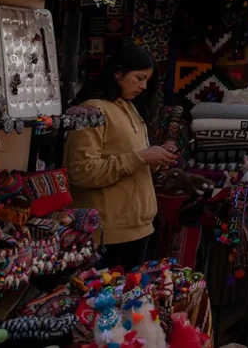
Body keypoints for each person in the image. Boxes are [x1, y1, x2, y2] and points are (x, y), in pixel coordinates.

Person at [65, 44, 177, 269]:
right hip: (108, 233)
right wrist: (141, 157)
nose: (144, 86)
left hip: (139, 226)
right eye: (139, 78)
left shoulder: (130, 109)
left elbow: (130, 159)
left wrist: (156, 157)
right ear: (118, 73)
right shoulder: (93, 110)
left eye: (147, 80)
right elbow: (81, 171)